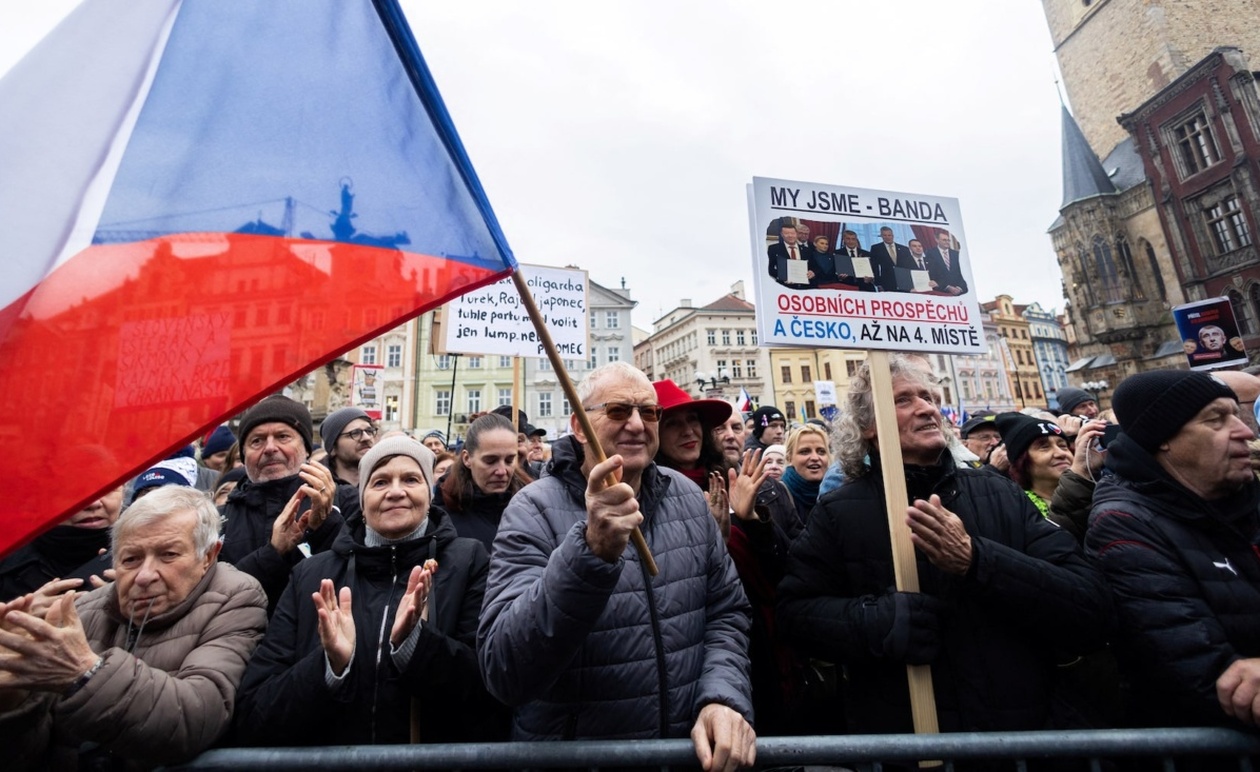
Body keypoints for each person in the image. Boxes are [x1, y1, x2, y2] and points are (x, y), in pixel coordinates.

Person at [778, 354, 1112, 735]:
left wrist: (979, 561)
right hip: (909, 745)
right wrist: (877, 620)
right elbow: (795, 616)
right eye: (903, 400)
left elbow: (1090, 604)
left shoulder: (999, 493)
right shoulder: (839, 512)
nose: (926, 409)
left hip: (1021, 737)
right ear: (870, 426)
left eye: (929, 397)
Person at [478, 362, 755, 771]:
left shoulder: (687, 498)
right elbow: (504, 668)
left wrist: (721, 695)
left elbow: (726, 613)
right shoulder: (532, 508)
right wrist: (588, 555)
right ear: (578, 423)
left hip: (687, 757)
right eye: (618, 411)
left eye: (649, 412)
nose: (638, 425)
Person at [235, 436, 501, 745]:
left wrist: (419, 648)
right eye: (380, 482)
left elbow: (492, 692)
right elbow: (253, 715)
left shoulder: (470, 562)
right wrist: (329, 667)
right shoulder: (311, 576)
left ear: (429, 497)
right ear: (362, 502)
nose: (396, 491)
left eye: (411, 479)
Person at [0, 486, 267, 770]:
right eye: (131, 559)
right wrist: (13, 695)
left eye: (168, 555)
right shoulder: (83, 609)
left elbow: (195, 718)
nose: (144, 575)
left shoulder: (236, 596)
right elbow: (28, 754)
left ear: (208, 556)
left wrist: (86, 673)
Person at [1086, 370, 1260, 728]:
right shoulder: (1123, 524)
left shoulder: (1247, 497)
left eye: (1238, 414)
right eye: (1215, 420)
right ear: (1163, 437)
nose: (1246, 431)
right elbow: (1204, 673)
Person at [219, 395, 355, 610]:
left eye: (283, 437)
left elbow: (361, 577)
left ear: (307, 449)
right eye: (257, 441)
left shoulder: (348, 500)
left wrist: (326, 527)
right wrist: (273, 552)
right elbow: (215, 596)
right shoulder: (220, 519)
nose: (270, 448)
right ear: (244, 456)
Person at [0, 488, 122, 601]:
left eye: (106, 489)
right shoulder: (8, 563)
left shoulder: (138, 567)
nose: (93, 503)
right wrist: (18, 617)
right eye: (72, 492)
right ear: (35, 500)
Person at [434, 413, 530, 553]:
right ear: (467, 459)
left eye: (509, 460)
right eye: (490, 461)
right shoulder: (442, 519)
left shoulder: (531, 506)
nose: (502, 471)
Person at [777, 425, 830, 539]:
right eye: (805, 452)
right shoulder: (779, 497)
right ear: (789, 458)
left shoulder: (838, 491)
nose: (815, 457)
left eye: (821, 451)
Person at [320, 406, 377, 487]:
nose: (366, 437)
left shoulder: (387, 480)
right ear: (333, 448)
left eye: (369, 431)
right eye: (355, 433)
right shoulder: (314, 486)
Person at [767, 221, 811, 288]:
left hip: (805, 287)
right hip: (784, 287)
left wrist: (812, 272)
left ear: (796, 234)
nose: (790, 236)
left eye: (792, 233)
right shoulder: (773, 249)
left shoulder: (806, 250)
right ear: (782, 234)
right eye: (786, 233)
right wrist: (782, 277)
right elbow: (770, 268)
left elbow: (815, 267)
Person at [925, 231, 967, 295]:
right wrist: (947, 287)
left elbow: (963, 273)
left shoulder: (956, 254)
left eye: (948, 240)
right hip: (942, 292)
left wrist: (959, 288)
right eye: (944, 240)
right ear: (937, 240)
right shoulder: (930, 253)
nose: (947, 242)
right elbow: (932, 274)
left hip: (960, 292)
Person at [869, 226, 910, 292]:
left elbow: (908, 266)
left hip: (903, 282)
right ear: (881, 236)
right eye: (885, 235)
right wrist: (878, 283)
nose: (887, 237)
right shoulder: (876, 248)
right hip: (886, 282)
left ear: (893, 235)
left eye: (889, 235)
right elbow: (874, 266)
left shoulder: (904, 249)